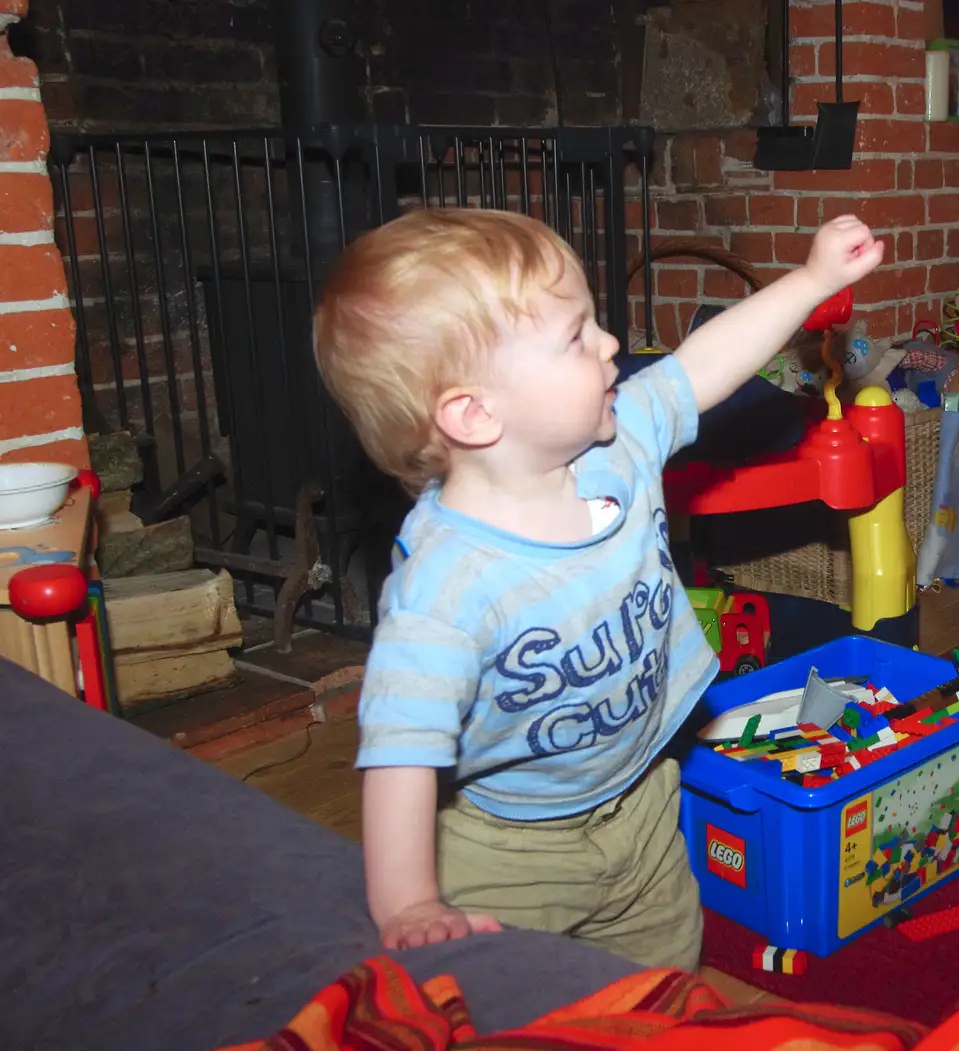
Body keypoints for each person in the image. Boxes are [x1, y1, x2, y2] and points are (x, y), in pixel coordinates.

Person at [313, 208, 884, 970]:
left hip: (644, 800)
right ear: (476, 413)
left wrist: (813, 280)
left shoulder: (616, 444)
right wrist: (411, 901)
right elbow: (399, 755)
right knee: (518, 1006)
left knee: (659, 990)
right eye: (575, 335)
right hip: (510, 852)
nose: (610, 343)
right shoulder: (445, 587)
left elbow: (704, 364)